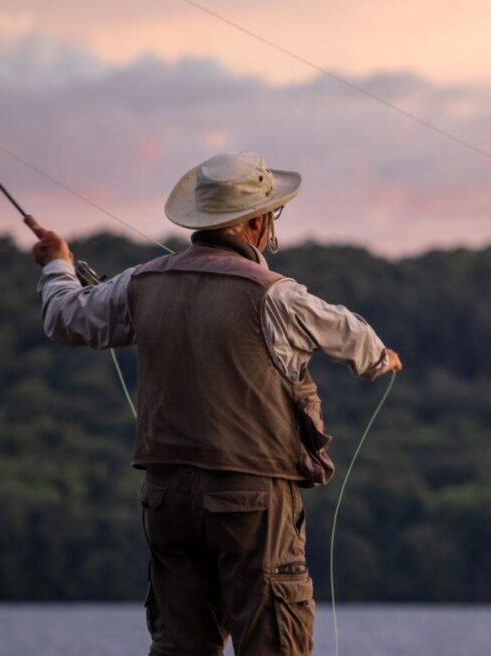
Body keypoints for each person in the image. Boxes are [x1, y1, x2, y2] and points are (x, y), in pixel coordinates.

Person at [27, 151, 401, 656]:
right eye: (272, 215)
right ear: (254, 223)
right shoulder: (278, 296)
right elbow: (352, 334)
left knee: (181, 647)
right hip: (253, 503)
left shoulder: (141, 283)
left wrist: (57, 263)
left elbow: (65, 318)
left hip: (166, 502)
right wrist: (382, 359)